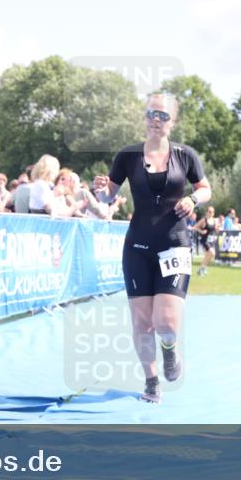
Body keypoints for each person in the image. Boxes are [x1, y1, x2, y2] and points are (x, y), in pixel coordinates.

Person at [93, 93, 211, 404]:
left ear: (173, 122)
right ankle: (151, 379)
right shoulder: (128, 155)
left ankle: (170, 350)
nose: (156, 120)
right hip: (138, 246)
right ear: (144, 118)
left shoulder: (185, 155)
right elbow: (108, 197)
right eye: (151, 114)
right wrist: (102, 190)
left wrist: (193, 199)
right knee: (142, 322)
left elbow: (205, 188)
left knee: (167, 324)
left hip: (174, 244)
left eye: (163, 116)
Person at [194, 205, 219, 276]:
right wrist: (201, 231)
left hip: (212, 240)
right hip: (205, 240)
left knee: (209, 255)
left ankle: (202, 268)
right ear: (207, 212)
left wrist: (217, 229)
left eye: (212, 212)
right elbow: (195, 227)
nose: (211, 213)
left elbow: (216, 230)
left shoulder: (215, 220)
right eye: (210, 211)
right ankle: (202, 268)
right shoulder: (204, 220)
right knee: (212, 253)